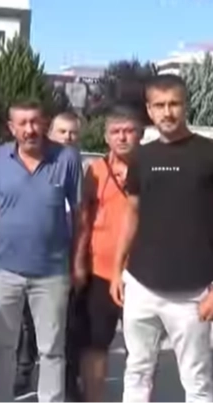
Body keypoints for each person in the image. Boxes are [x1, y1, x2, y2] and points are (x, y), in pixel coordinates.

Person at [111, 75, 213, 403]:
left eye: (174, 104)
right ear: (149, 110)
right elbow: (132, 213)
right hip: (141, 286)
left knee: (197, 382)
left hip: (193, 293)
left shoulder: (208, 153)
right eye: (159, 105)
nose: (167, 112)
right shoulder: (141, 157)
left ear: (186, 105)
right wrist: (117, 270)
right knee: (137, 371)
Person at [0, 101, 83, 403]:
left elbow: (80, 215)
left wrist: (77, 262)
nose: (29, 129)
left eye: (35, 122)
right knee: (3, 346)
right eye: (22, 123)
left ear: (45, 123)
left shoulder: (66, 158)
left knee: (52, 349)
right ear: (11, 128)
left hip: (52, 272)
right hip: (4, 269)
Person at [72, 106, 143, 403]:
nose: (122, 137)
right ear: (106, 137)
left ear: (140, 134)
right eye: (116, 131)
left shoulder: (155, 169)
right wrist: (78, 263)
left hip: (142, 274)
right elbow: (84, 220)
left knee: (142, 351)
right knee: (95, 345)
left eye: (128, 131)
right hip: (100, 271)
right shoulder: (96, 171)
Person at [15, 110, 83, 397]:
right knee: (28, 323)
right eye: (62, 131)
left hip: (65, 259)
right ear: (50, 134)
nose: (68, 137)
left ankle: (67, 380)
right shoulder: (41, 166)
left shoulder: (83, 170)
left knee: (66, 326)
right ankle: (24, 372)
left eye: (73, 132)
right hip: (34, 260)